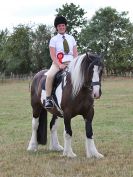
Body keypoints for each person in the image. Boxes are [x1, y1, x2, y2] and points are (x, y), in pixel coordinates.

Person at [44, 15, 78, 108]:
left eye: (63, 25)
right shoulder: (53, 39)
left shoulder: (71, 38)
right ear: (56, 28)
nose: (61, 27)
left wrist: (76, 64)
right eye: (59, 26)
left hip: (71, 63)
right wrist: (59, 64)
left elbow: (75, 53)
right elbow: (52, 54)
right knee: (50, 76)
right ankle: (48, 99)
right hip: (57, 63)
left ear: (65, 26)